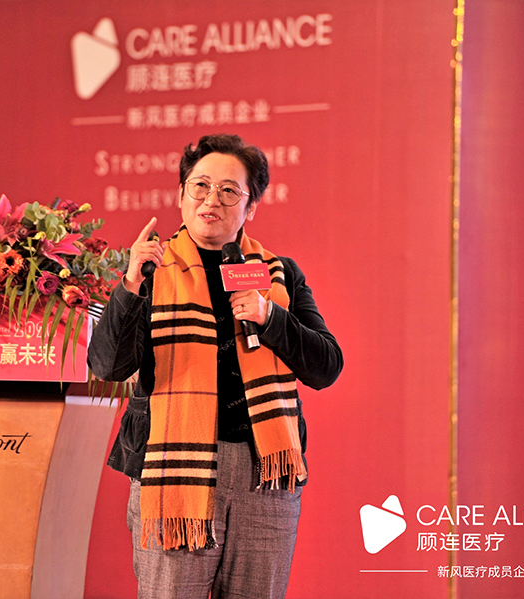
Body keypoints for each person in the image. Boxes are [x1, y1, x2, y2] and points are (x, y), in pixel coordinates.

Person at [88, 133, 342, 599]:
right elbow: (107, 365)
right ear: (181, 195)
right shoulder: (150, 272)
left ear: (251, 207)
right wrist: (129, 286)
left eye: (229, 191)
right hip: (175, 469)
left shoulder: (279, 275)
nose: (211, 200)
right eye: (200, 186)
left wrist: (270, 317)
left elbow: (326, 367)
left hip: (263, 473)